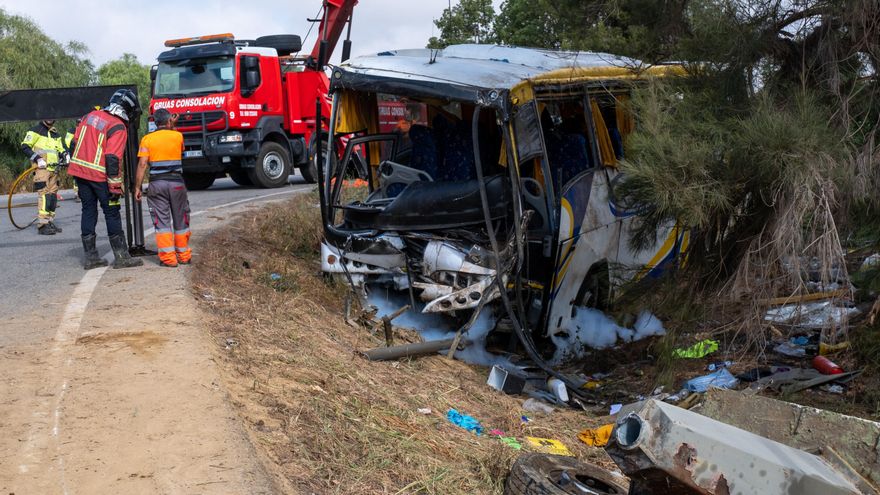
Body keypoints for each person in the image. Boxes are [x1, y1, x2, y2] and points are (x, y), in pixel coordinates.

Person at [67, 89, 143, 270]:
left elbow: (74, 143)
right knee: (112, 213)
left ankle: (91, 258)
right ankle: (122, 257)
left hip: (80, 173)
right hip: (100, 176)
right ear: (127, 110)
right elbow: (112, 158)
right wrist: (115, 186)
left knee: (88, 210)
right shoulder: (117, 126)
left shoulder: (89, 116)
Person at [134, 108, 191, 267]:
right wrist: (173, 126)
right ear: (168, 121)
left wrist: (137, 187)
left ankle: (169, 259)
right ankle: (184, 256)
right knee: (181, 219)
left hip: (157, 184)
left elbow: (142, 164)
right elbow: (181, 150)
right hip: (177, 184)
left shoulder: (147, 139)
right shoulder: (178, 136)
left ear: (154, 122)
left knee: (162, 222)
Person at [21, 119, 66, 234]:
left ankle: (49, 221)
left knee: (52, 196)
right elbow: (25, 147)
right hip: (41, 170)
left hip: (54, 170)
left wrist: (65, 154)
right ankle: (42, 225)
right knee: (44, 195)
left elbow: (60, 149)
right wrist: (37, 158)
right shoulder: (35, 130)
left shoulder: (56, 133)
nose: (50, 118)